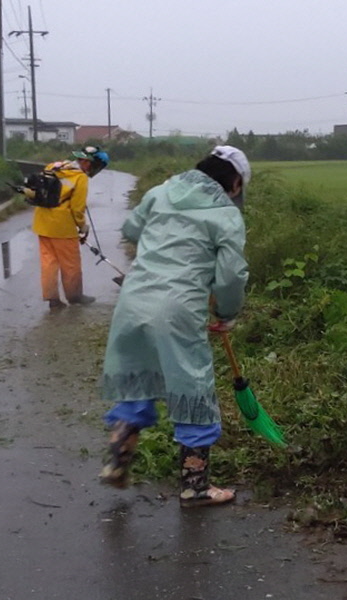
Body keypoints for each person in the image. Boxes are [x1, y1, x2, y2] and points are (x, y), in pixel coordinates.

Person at [98, 145, 251, 508]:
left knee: (136, 382)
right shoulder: (226, 215)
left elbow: (132, 227)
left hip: (133, 301)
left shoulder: (160, 192)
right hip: (177, 308)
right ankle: (195, 487)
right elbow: (230, 276)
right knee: (192, 387)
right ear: (233, 182)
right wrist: (227, 312)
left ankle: (118, 457)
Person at [31, 145, 110, 310]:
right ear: (88, 163)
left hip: (42, 222)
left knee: (48, 262)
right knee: (70, 264)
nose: (94, 169)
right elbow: (77, 208)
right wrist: (83, 228)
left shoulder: (53, 166)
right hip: (62, 227)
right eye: (95, 166)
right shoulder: (80, 177)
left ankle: (53, 299)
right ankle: (75, 296)